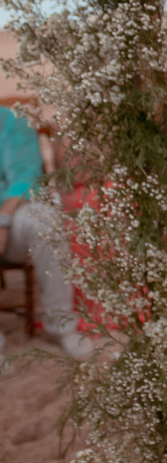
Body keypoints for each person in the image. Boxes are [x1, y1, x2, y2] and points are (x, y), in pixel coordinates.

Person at [0, 106, 90, 363]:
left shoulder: (9, 121)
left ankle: (61, 324)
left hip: (9, 216)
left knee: (45, 220)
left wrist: (3, 220)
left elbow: (26, 178)